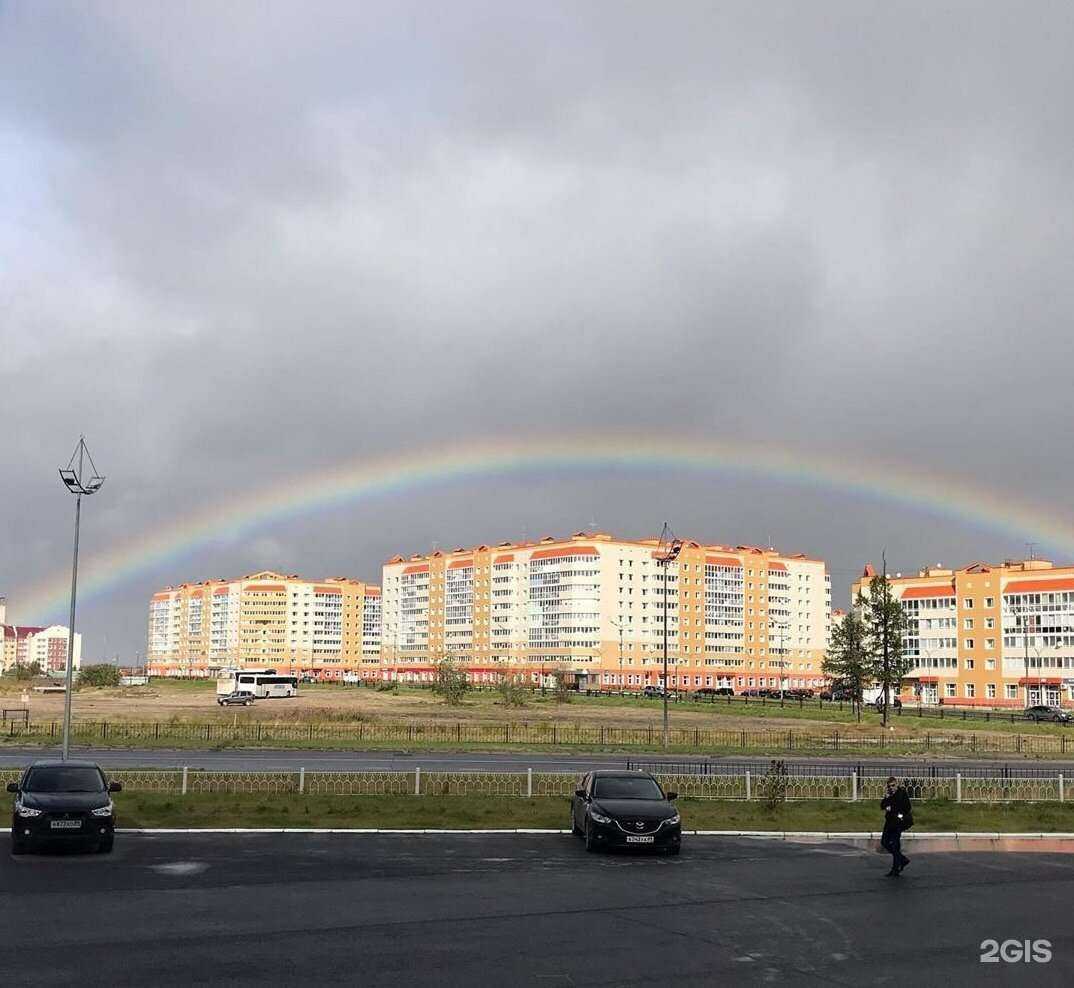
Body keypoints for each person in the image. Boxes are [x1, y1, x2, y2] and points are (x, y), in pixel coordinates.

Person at [880, 776, 912, 877]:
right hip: (889, 822)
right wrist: (887, 798)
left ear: (896, 784)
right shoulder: (888, 795)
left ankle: (895, 869)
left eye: (893, 785)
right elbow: (882, 805)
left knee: (895, 845)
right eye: (889, 786)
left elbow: (907, 807)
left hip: (898, 823)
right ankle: (902, 860)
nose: (891, 788)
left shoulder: (902, 793)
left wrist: (893, 809)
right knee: (884, 842)